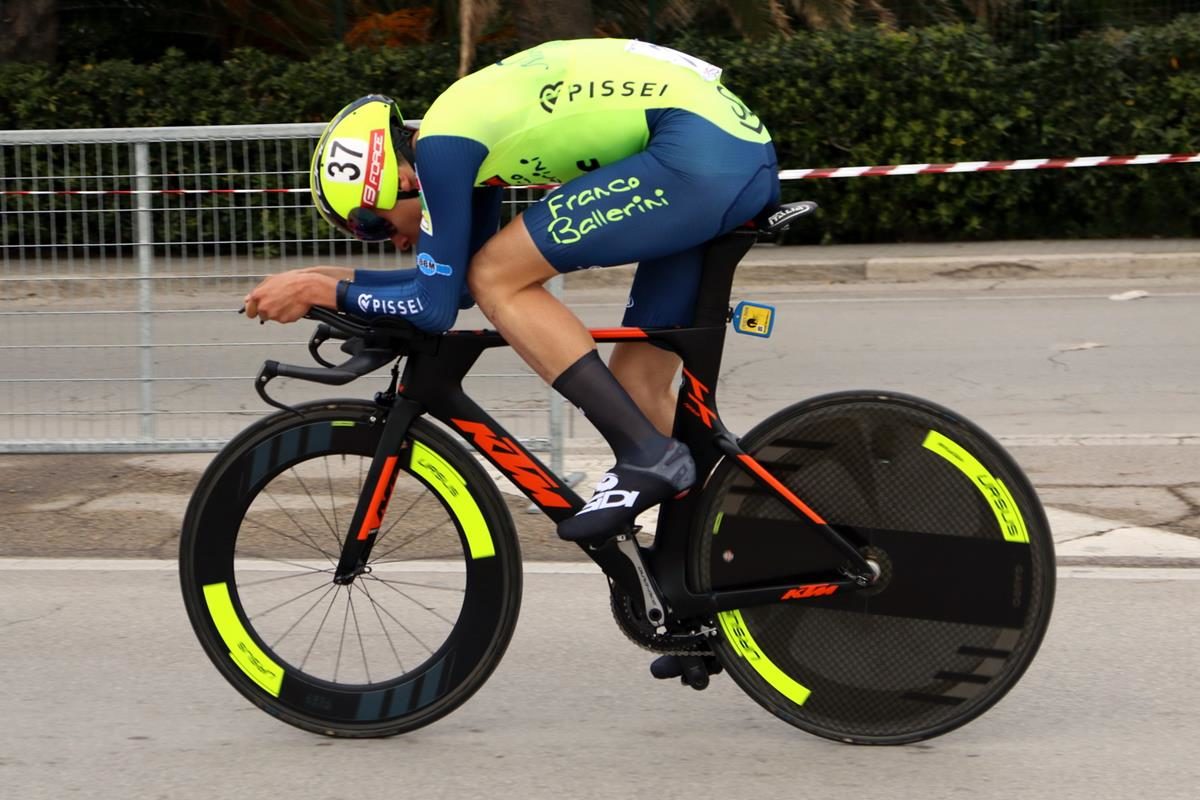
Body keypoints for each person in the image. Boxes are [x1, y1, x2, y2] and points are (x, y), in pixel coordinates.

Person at [243, 37, 780, 545]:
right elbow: (448, 290)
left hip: (696, 155)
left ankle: (645, 454)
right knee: (637, 385)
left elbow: (432, 306)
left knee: (498, 275)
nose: (393, 242)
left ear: (396, 180)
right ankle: (717, 577)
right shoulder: (462, 145)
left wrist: (320, 287)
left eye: (374, 226)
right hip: (722, 154)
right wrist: (329, 285)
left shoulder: (442, 148)